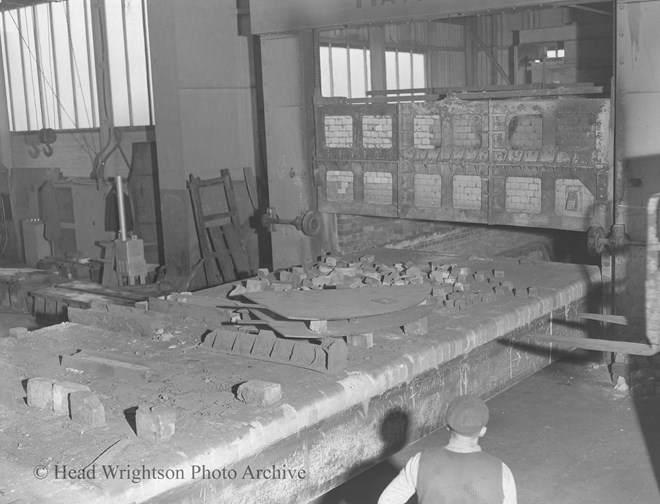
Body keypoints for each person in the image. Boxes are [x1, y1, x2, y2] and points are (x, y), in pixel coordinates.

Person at [378, 394, 517, 504]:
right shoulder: (501, 471)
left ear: (448, 426)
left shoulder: (420, 462)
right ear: (482, 431)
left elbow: (388, 500)